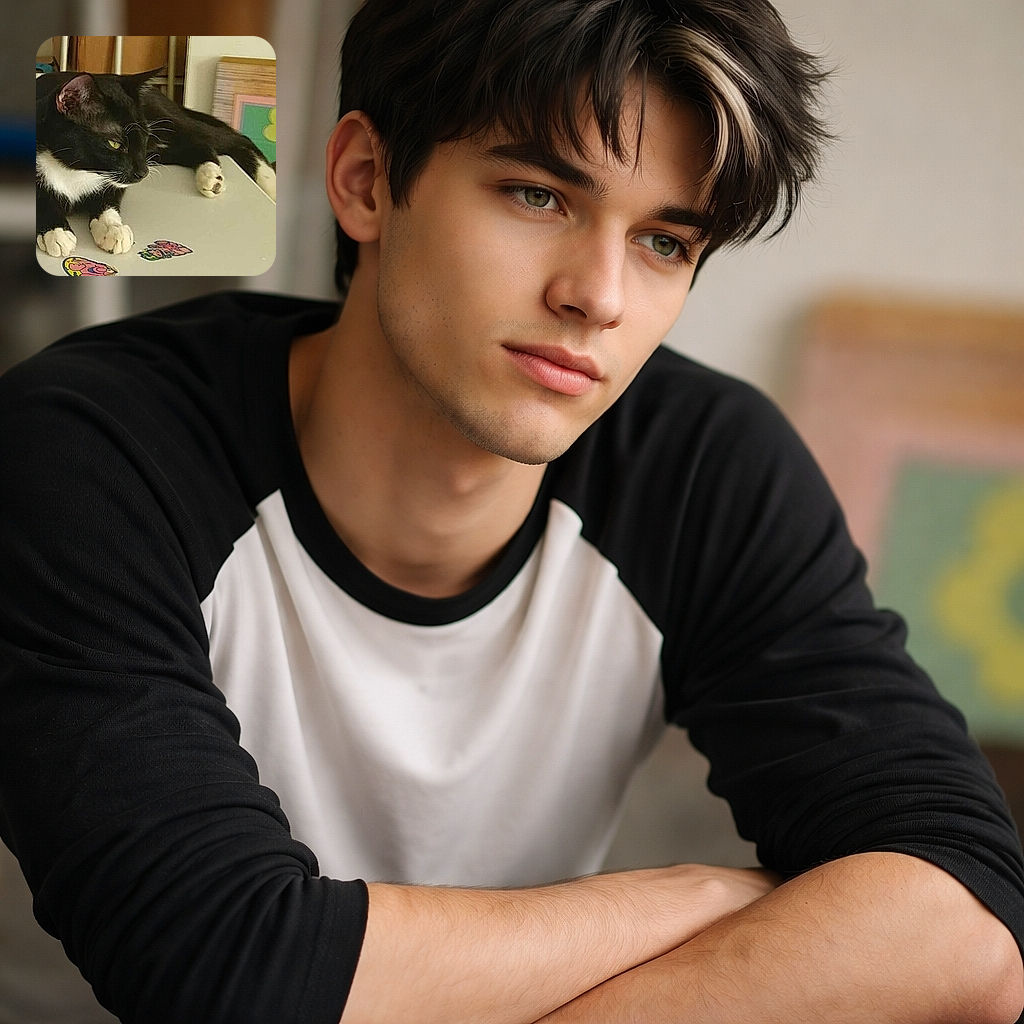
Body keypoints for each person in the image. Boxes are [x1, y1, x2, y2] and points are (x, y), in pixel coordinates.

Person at [2, 1, 1023, 1021]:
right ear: (365, 180)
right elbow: (222, 967)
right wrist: (707, 899)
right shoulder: (89, 449)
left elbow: (968, 927)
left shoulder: (705, 467)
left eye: (665, 242)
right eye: (538, 195)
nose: (599, 296)